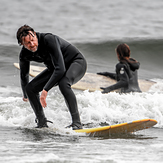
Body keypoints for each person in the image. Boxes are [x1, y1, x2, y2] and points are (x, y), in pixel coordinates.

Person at [16, 25, 87, 130]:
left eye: (33, 40)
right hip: (56, 68)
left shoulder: (48, 39)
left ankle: (77, 123)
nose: (32, 44)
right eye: (27, 43)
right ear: (22, 44)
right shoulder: (24, 55)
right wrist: (26, 95)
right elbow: (24, 75)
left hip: (76, 62)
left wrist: (45, 90)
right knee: (30, 88)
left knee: (64, 83)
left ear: (35, 34)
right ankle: (42, 122)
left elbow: (61, 69)